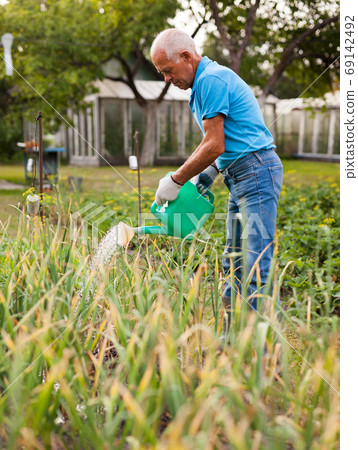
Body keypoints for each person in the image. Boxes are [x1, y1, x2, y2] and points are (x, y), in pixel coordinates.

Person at [151, 29, 283, 334]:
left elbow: (214, 144)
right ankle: (229, 342)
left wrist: (176, 179)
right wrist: (206, 177)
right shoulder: (203, 83)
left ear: (186, 57)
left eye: (168, 71)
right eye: (162, 74)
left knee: (254, 264)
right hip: (241, 173)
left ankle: (267, 358)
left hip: (256, 172)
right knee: (234, 262)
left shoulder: (211, 79)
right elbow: (229, 141)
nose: (167, 80)